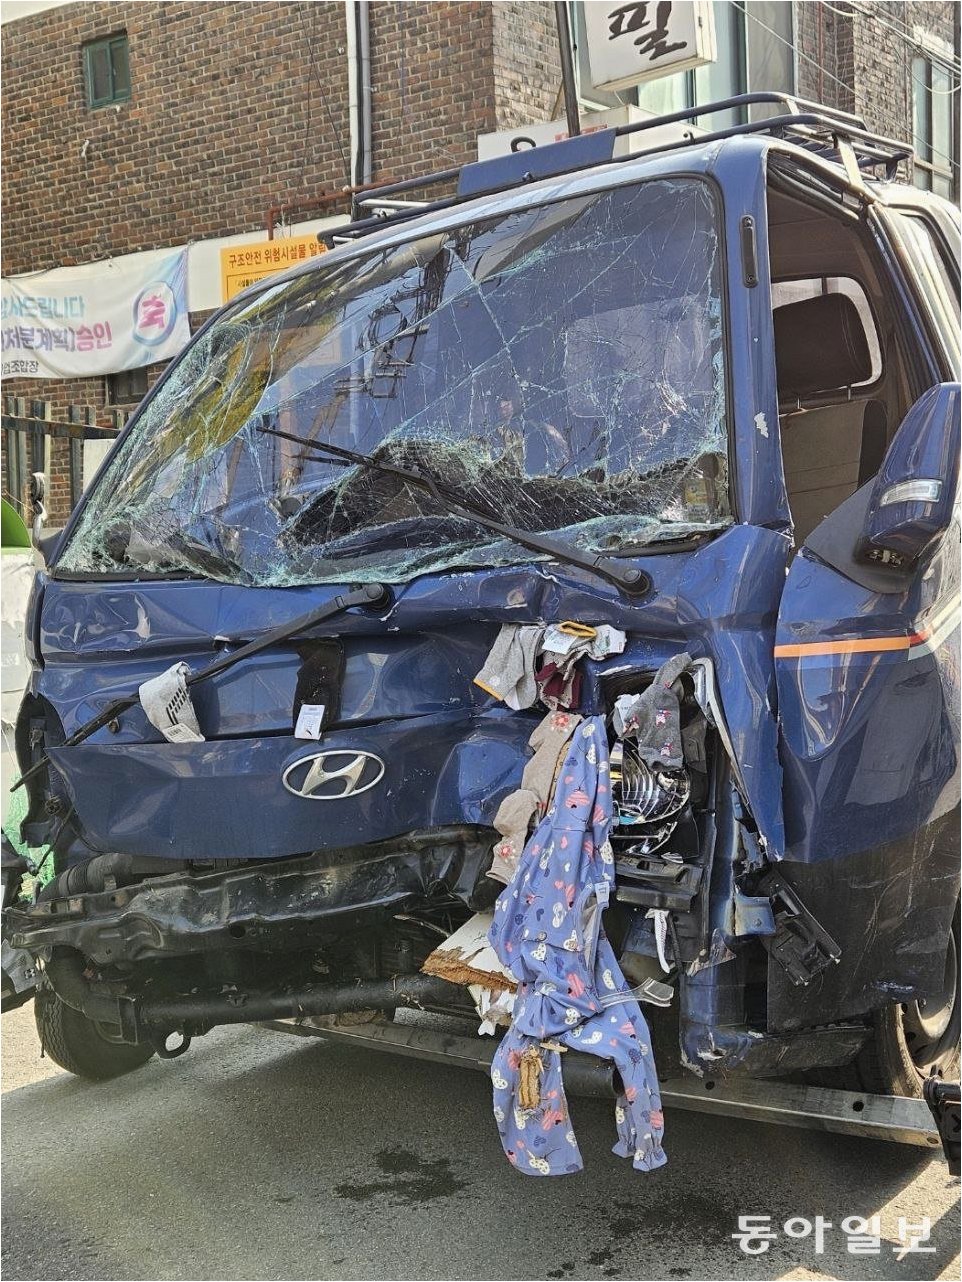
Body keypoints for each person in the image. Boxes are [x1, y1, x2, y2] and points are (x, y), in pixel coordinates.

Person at [487, 381, 571, 477]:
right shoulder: (492, 434)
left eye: (507, 399)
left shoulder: (538, 430)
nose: (502, 406)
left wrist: (550, 431)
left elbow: (563, 457)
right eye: (497, 402)